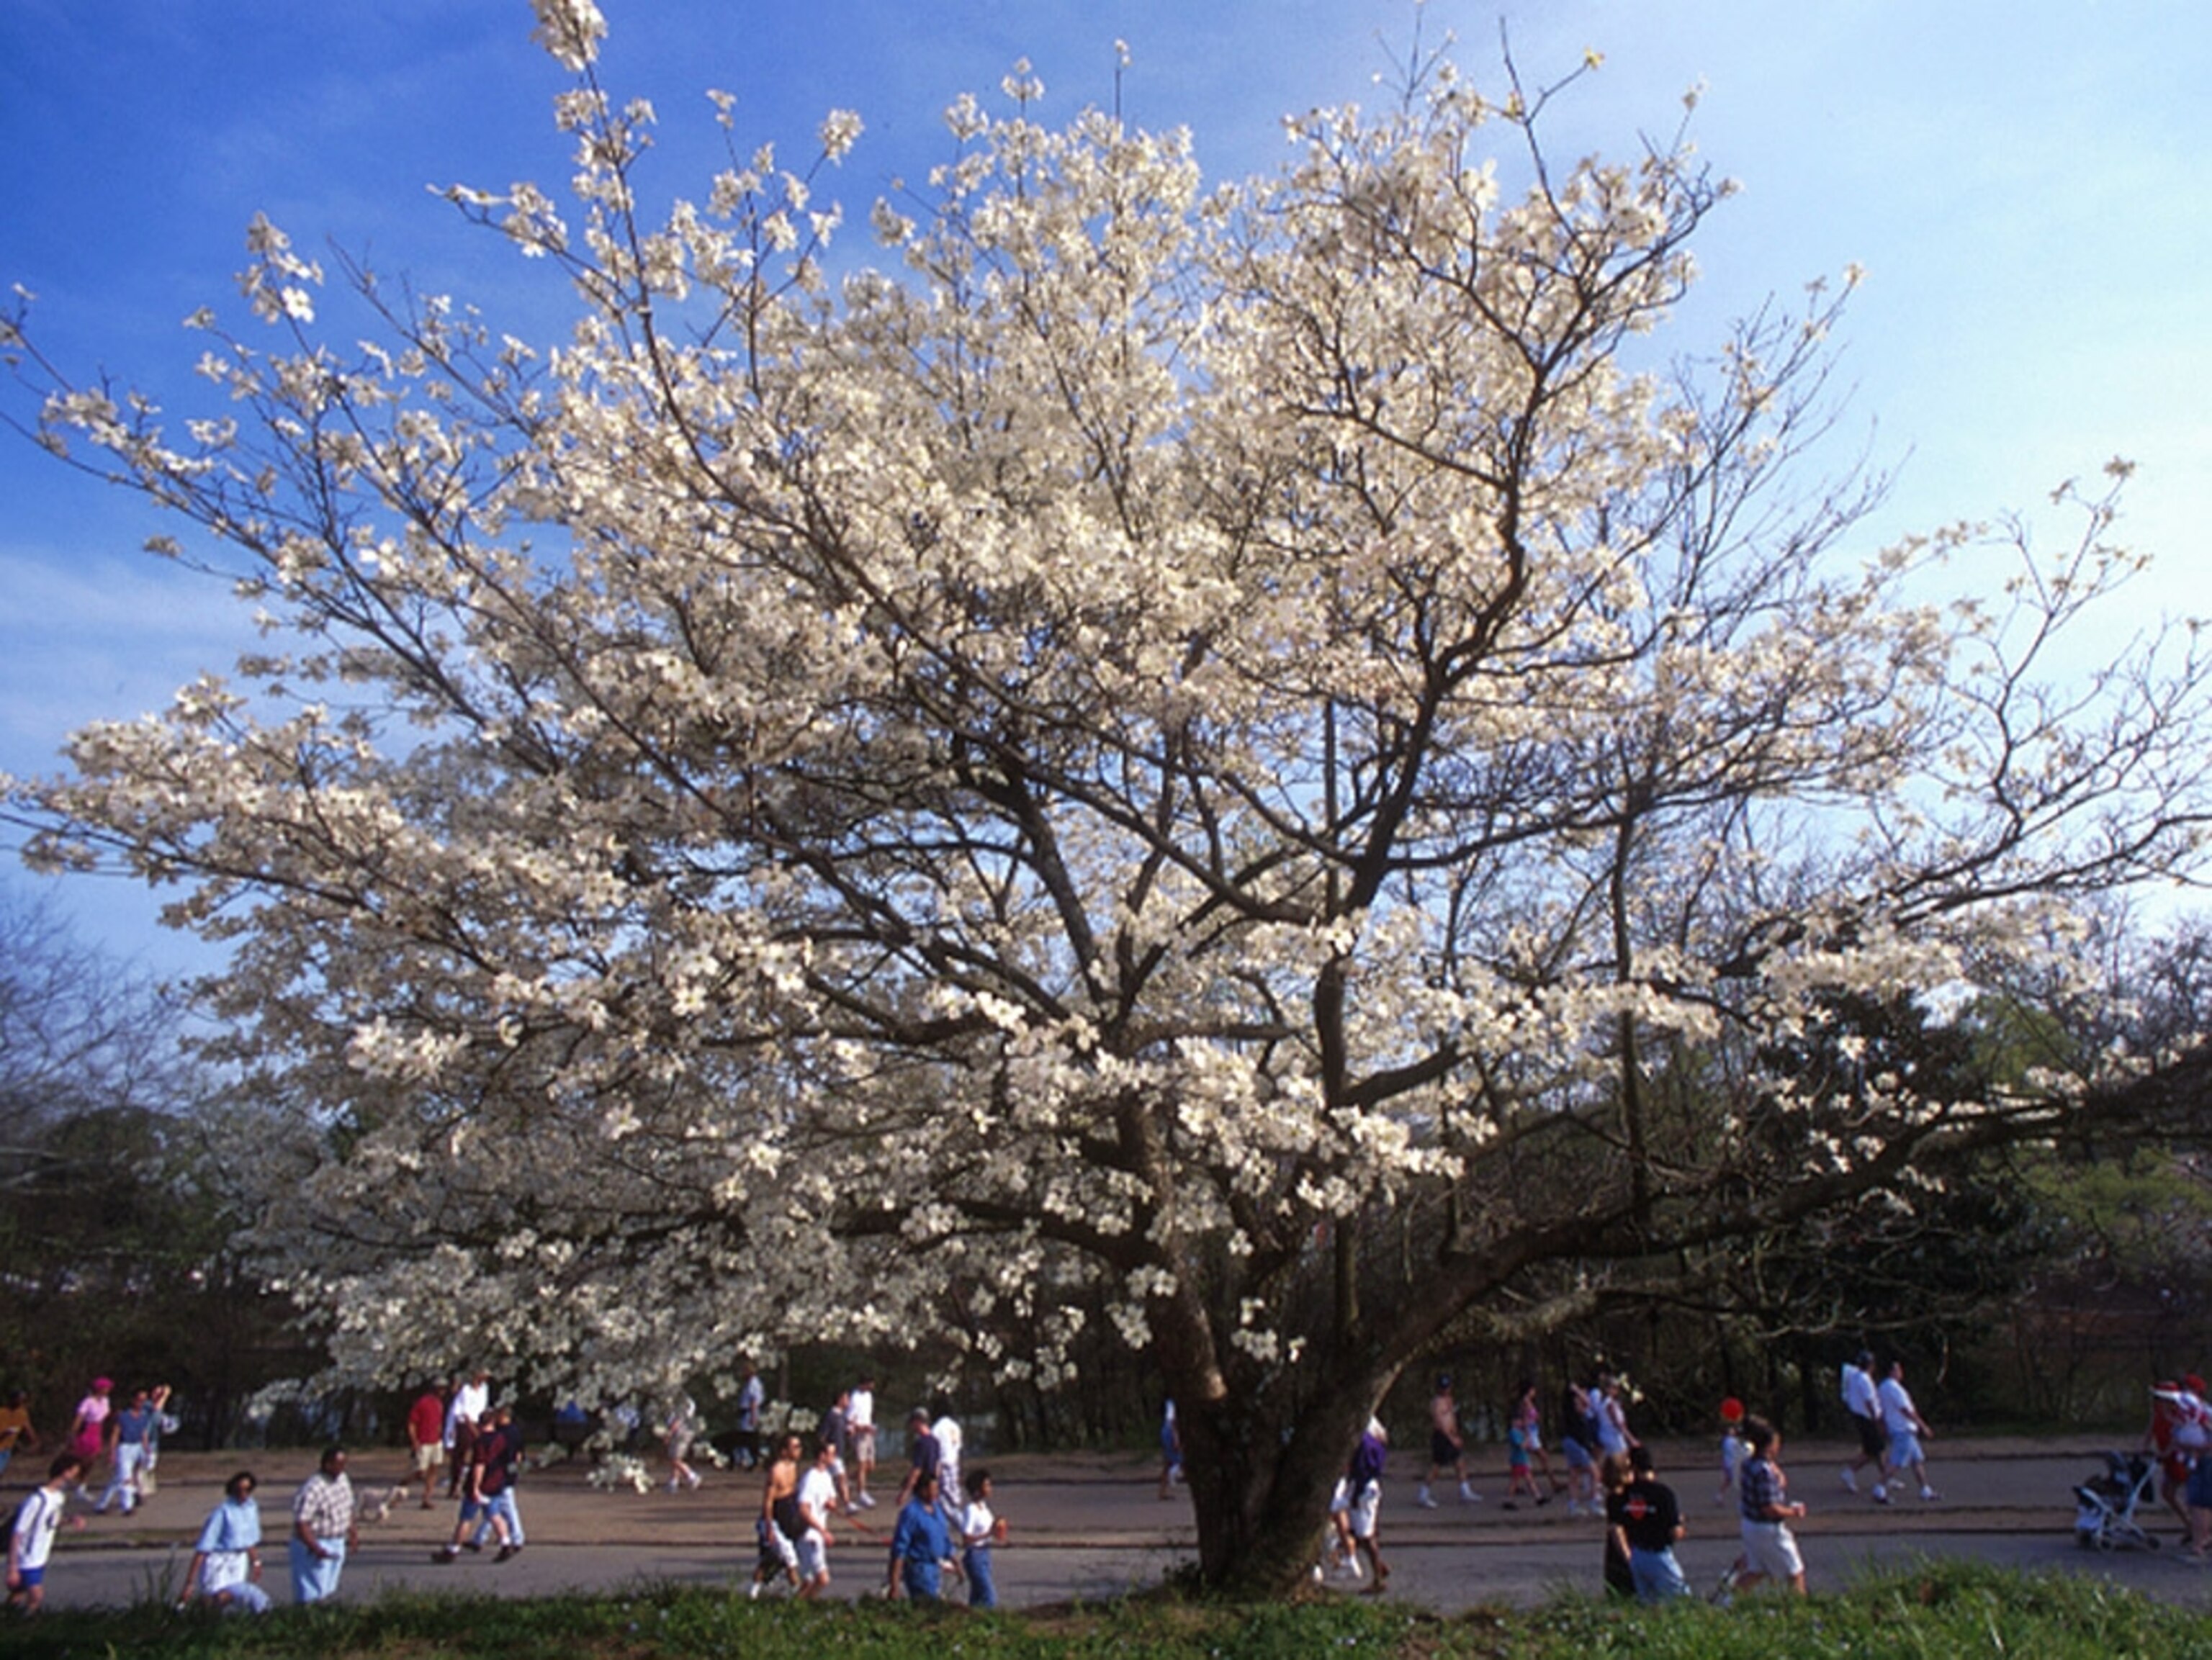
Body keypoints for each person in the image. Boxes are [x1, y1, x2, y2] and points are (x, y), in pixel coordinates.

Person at [1731, 1416, 1807, 1597]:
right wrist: (1793, 1512)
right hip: (1768, 1529)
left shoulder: (1749, 1464)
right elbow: (1769, 1508)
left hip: (1750, 1525)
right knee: (1794, 1571)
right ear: (1770, 1446)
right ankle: (1801, 1610)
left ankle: (1731, 1601)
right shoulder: (1764, 1472)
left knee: (1757, 1569)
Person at [180, 1470, 272, 1612]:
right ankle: (194, 1614)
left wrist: (256, 1561)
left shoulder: (251, 1508)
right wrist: (189, 1582)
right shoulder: (223, 1512)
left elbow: (248, 1539)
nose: (243, 1494)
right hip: (219, 1559)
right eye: (239, 1490)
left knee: (235, 1595)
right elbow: (203, 1547)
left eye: (247, 1490)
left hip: (239, 1559)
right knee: (216, 1597)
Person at [1609, 1444, 1691, 1603]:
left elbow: (1617, 1525)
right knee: (1681, 1600)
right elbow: (1675, 1531)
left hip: (1637, 1554)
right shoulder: (1663, 1494)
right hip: (1659, 1554)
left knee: (1647, 1603)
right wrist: (1680, 1525)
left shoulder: (1624, 1495)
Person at [6, 1453, 86, 1613]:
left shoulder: (58, 1497)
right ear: (65, 1471)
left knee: (18, 1593)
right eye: (74, 1471)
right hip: (27, 1557)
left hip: (40, 1554)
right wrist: (13, 1566)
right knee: (36, 1595)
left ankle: (9, 1618)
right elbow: (18, 1532)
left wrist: (70, 1520)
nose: (75, 1476)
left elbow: (51, 1521)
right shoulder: (37, 1500)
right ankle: (29, 1623)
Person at [288, 1445, 359, 1604]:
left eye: (344, 1464)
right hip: (315, 1542)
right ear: (327, 1465)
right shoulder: (313, 1488)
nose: (342, 1469)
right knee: (311, 1592)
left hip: (337, 1540)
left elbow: (348, 1507)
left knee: (327, 1590)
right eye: (338, 1465)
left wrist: (352, 1532)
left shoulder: (343, 1480)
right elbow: (302, 1522)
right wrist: (315, 1548)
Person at [748, 1432, 805, 1599]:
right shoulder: (776, 1471)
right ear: (784, 1451)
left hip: (788, 1513)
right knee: (788, 1558)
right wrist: (769, 1526)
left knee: (776, 1559)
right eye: (795, 1447)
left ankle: (759, 1589)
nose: (799, 1451)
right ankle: (796, 1591)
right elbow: (768, 1501)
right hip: (774, 1517)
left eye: (799, 1447)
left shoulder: (793, 1467)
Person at [1874, 1358, 1938, 1502]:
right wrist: (1923, 1426)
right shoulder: (1894, 1388)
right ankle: (1879, 1488)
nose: (1901, 1372)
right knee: (1896, 1463)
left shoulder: (1883, 1387)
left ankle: (1925, 1490)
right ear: (1892, 1371)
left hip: (1899, 1429)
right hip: (1903, 1429)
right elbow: (1906, 1410)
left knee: (1917, 1460)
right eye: (1898, 1369)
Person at [885, 1470, 954, 1601]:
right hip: (919, 1569)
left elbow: (944, 1538)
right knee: (927, 1606)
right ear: (923, 1490)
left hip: (935, 1568)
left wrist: (954, 1560)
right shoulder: (911, 1513)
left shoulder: (937, 1509)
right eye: (932, 1489)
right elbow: (900, 1549)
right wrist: (894, 1584)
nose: (936, 1493)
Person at [1416, 1373, 1478, 1507]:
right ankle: (1423, 1493)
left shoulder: (1450, 1400)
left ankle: (1465, 1490)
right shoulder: (1437, 1402)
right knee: (1437, 1466)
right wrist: (1450, 1438)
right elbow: (1439, 1422)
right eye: (1443, 1388)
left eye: (1447, 1387)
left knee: (1459, 1462)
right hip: (1442, 1436)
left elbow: (1452, 1418)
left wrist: (1456, 1434)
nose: (1445, 1390)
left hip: (1451, 1435)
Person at [95, 1387, 156, 1514]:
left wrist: (146, 1449)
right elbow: (115, 1435)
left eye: (144, 1401)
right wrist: (112, 1452)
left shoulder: (143, 1417)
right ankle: (127, 1506)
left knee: (118, 1478)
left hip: (137, 1446)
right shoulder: (123, 1416)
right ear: (133, 1401)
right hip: (125, 1448)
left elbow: (143, 1434)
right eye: (139, 1400)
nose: (141, 1404)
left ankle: (101, 1504)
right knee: (125, 1478)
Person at [794, 1435, 840, 1598]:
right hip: (809, 1535)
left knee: (809, 1580)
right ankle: (799, 1607)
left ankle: (799, 1607)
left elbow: (832, 1498)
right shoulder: (810, 1479)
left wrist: (831, 1503)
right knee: (822, 1578)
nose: (834, 1457)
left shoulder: (826, 1476)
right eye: (831, 1454)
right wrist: (822, 1531)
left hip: (818, 1534)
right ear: (822, 1455)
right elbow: (803, 1509)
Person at [958, 1466, 1008, 1608]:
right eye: (986, 1485)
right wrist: (989, 1533)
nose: (990, 1488)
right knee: (989, 1596)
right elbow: (966, 1538)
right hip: (975, 1555)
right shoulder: (971, 1510)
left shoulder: (984, 1507)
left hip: (986, 1553)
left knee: (977, 1597)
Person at [1840, 1349, 1886, 1494]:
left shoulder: (1855, 1376)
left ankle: (1886, 1476)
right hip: (1867, 1418)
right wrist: (1877, 1420)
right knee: (1872, 1450)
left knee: (1879, 1448)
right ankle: (1850, 1471)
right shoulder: (1864, 1380)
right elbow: (1869, 1402)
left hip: (1860, 1416)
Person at [444, 1369, 490, 1498]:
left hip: (479, 1422)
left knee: (479, 1456)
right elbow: (462, 1412)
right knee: (461, 1456)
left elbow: (483, 1408)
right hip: (465, 1425)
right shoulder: (465, 1391)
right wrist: (472, 1429)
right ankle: (455, 1486)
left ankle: (473, 1485)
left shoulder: (484, 1390)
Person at [1559, 1376, 1601, 1517]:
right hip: (1575, 1442)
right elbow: (1588, 1403)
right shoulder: (1574, 1405)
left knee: (1574, 1474)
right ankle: (1594, 1502)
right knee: (1595, 1473)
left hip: (1572, 1441)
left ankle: (1573, 1505)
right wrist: (1577, 1391)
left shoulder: (1572, 1408)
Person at [1597, 1453, 1635, 1599]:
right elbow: (1616, 1529)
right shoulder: (1616, 1499)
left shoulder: (1622, 1496)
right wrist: (1627, 1555)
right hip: (1621, 1550)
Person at [407, 1379, 449, 1507]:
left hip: (436, 1441)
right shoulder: (423, 1402)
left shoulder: (439, 1404)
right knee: (420, 1471)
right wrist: (414, 1441)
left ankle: (427, 1497)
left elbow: (439, 1422)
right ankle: (402, 1485)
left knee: (434, 1469)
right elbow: (412, 1423)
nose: (443, 1391)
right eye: (440, 1388)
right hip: (424, 1441)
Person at [66, 1377, 112, 1493]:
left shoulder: (106, 1401)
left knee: (92, 1458)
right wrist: (73, 1432)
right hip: (88, 1428)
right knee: (82, 1457)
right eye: (105, 1388)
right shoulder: (88, 1402)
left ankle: (82, 1481)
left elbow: (106, 1414)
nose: (107, 1391)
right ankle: (75, 1478)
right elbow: (80, 1417)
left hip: (98, 1429)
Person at [895, 1407, 942, 1510]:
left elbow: (917, 1469)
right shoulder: (935, 1442)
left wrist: (905, 1493)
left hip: (922, 1487)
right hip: (932, 1486)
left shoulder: (921, 1443)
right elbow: (938, 1468)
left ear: (918, 1421)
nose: (912, 1426)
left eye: (913, 1422)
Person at [849, 1375, 878, 1508]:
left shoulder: (869, 1396)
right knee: (861, 1465)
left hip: (869, 1432)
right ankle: (862, 1493)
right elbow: (851, 1420)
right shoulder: (854, 1398)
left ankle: (848, 1479)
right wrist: (862, 1427)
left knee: (870, 1465)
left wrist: (870, 1427)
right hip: (860, 1434)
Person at [663, 1394, 703, 1492]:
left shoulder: (681, 1404)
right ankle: (673, 1482)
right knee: (676, 1457)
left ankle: (692, 1476)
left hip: (681, 1433)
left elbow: (678, 1421)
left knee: (675, 1459)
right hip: (684, 1432)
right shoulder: (684, 1403)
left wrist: (670, 1433)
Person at [930, 1402, 966, 1510]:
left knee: (944, 1493)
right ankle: (957, 1507)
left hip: (943, 1463)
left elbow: (935, 1448)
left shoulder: (937, 1428)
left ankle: (954, 1517)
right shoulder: (955, 1427)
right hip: (954, 1462)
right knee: (954, 1490)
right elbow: (958, 1447)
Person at [1715, 1397, 1748, 1507]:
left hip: (1729, 1464)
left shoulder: (1730, 1440)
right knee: (1741, 1482)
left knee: (1728, 1481)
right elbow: (1738, 1451)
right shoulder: (1730, 1441)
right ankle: (1743, 1500)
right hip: (1732, 1464)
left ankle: (1719, 1496)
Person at [0, 1391, 40, 1482]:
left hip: (8, 1446)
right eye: (19, 1400)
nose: (20, 1402)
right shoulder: (2, 1412)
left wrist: (34, 1440)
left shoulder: (22, 1413)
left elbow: (27, 1427)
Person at [734, 1363, 766, 1469]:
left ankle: (749, 1460)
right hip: (745, 1412)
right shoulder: (749, 1383)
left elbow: (754, 1401)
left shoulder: (753, 1384)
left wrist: (753, 1416)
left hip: (750, 1412)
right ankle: (744, 1459)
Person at [1158, 1398, 1184, 1499]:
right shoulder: (1173, 1403)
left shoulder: (1170, 1402)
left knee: (1168, 1463)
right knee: (1181, 1460)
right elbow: (1173, 1422)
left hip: (1166, 1431)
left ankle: (1162, 1492)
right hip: (1170, 1433)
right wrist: (1176, 1439)